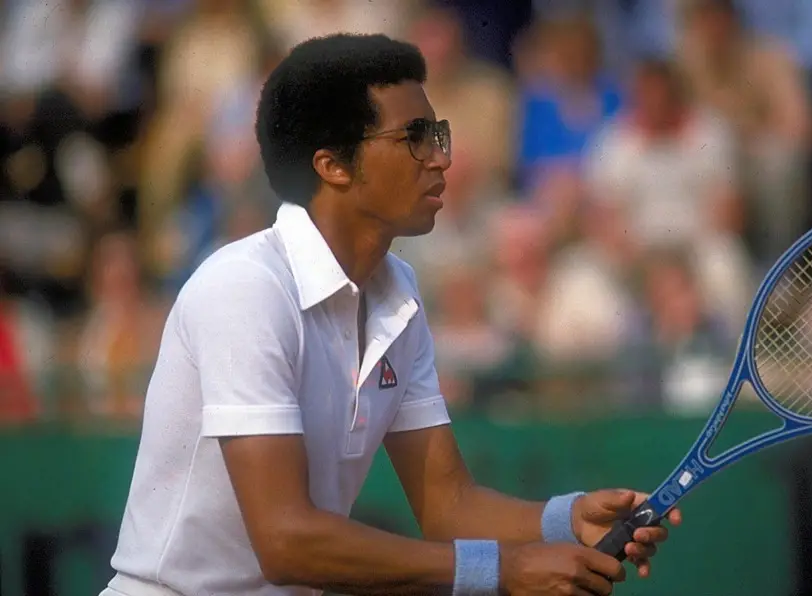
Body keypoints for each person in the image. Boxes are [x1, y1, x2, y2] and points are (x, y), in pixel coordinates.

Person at [100, 34, 681, 596]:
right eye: (416, 138)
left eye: (439, 134)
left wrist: (568, 520)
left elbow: (448, 507)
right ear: (333, 165)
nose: (443, 158)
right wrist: (505, 570)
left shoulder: (399, 291)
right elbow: (285, 542)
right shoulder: (244, 287)